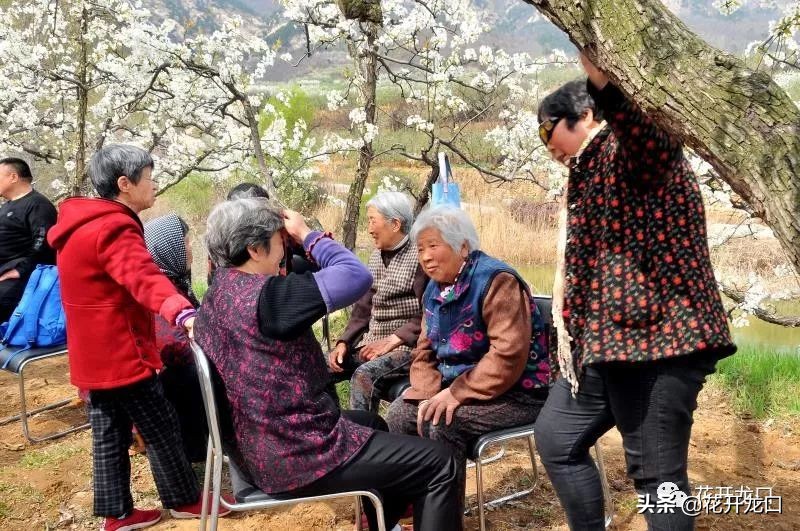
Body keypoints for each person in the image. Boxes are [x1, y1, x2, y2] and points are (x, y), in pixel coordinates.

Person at [532, 54, 737, 531]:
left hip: (660, 342)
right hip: (606, 348)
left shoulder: (632, 153)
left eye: (550, 132)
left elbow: (648, 131)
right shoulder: (587, 172)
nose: (548, 147)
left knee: (658, 478)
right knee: (557, 437)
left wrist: (606, 80)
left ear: (586, 115)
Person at [195, 198, 462, 531]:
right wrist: (308, 235)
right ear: (254, 249)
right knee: (442, 463)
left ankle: (383, 524)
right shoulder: (270, 299)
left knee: (371, 423)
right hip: (299, 453)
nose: (283, 250)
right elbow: (354, 275)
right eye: (279, 241)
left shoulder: (217, 294)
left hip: (258, 446)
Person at [47, 145, 227, 531]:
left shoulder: (76, 226)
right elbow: (142, 276)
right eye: (149, 177)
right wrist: (181, 311)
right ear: (125, 184)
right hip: (122, 351)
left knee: (108, 431)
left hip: (91, 352)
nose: (155, 184)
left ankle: (117, 514)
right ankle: (184, 500)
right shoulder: (114, 226)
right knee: (160, 425)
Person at [385, 205, 551, 504]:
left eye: (433, 245)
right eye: (420, 248)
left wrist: (457, 394)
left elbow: (508, 354)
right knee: (401, 413)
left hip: (517, 393)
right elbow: (424, 350)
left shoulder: (496, 281)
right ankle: (407, 506)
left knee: (443, 422)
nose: (425, 256)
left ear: (462, 246)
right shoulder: (436, 289)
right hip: (461, 389)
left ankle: (444, 516)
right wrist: (425, 392)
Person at [329, 191, 427, 412]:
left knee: (363, 376)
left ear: (395, 224)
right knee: (319, 367)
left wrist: (395, 338)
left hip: (407, 347)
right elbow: (363, 308)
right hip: (370, 343)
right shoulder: (376, 255)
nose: (370, 229)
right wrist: (344, 342)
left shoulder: (420, 256)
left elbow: (428, 312)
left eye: (373, 221)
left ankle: (365, 439)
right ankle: (330, 432)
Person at [143, 213, 207, 462]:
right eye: (186, 243)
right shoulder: (160, 291)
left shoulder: (175, 280)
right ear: (168, 249)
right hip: (171, 384)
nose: (190, 250)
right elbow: (175, 349)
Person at [0, 157, 57, 323]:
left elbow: (44, 242)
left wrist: (20, 270)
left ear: (13, 177)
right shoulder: (7, 206)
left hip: (18, 280)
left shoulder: (37, 204)